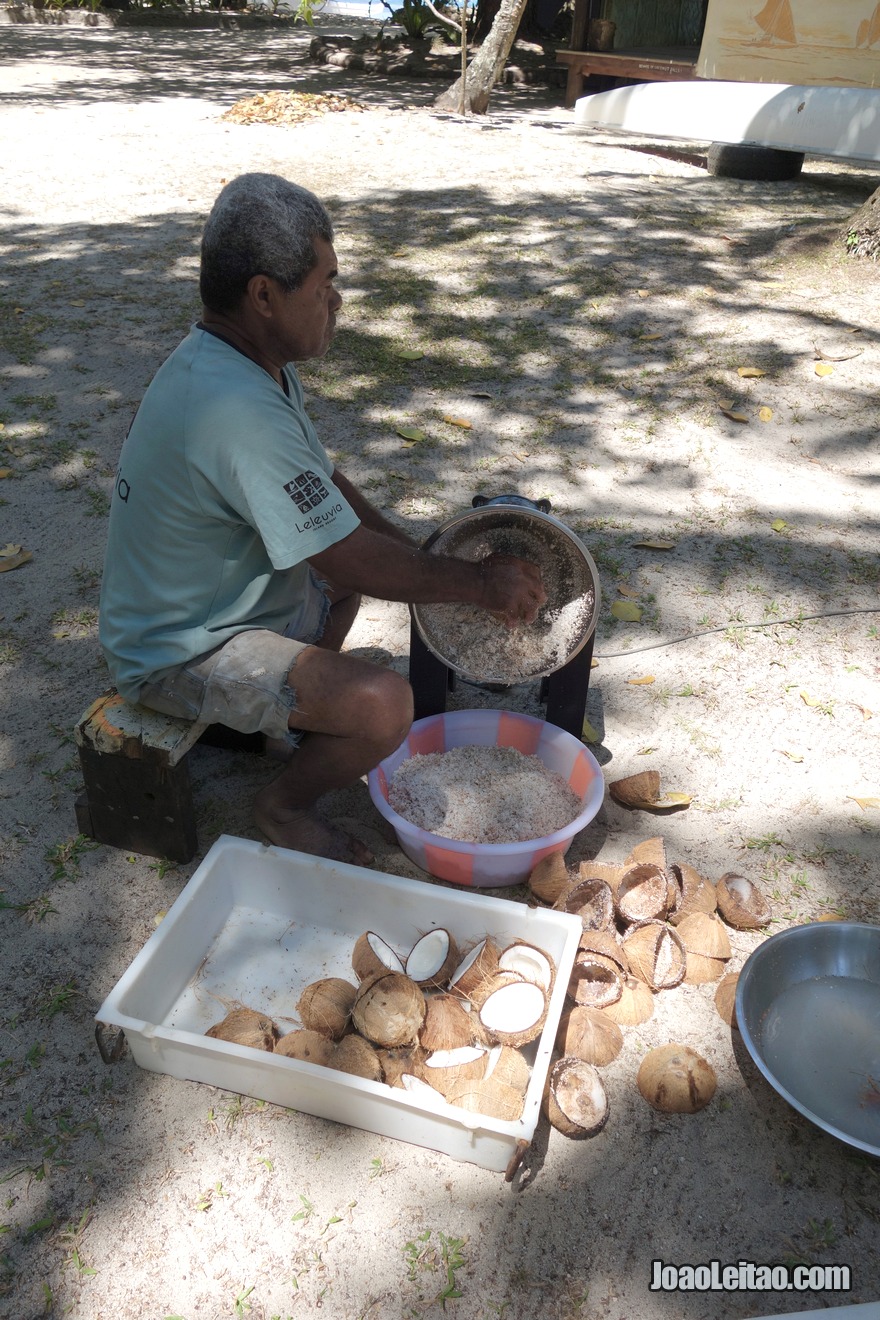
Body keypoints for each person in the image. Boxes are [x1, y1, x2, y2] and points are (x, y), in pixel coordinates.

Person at [98, 173, 546, 865]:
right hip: (177, 649)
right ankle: (282, 804)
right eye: (325, 282)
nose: (336, 301)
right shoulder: (234, 409)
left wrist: (433, 552)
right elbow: (345, 556)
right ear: (265, 295)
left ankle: (288, 713)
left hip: (226, 607)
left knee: (355, 579)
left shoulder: (248, 363)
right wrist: (478, 585)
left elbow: (324, 487)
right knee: (382, 706)